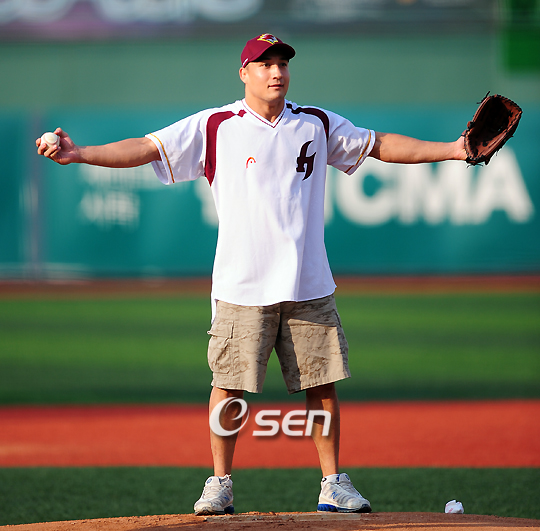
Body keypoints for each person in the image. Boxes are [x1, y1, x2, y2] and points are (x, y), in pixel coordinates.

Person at [37, 33, 467, 516]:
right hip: (242, 286)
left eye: (282, 62)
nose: (276, 71)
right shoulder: (217, 125)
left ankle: (332, 483)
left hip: (308, 283)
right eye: (264, 64)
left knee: (322, 385)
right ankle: (220, 483)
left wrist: (455, 149)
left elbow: (380, 145)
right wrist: (80, 153)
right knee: (228, 387)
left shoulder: (316, 122)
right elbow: (145, 147)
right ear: (244, 72)